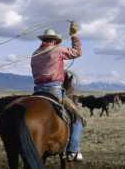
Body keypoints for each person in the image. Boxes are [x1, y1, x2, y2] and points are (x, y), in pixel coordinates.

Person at [30, 22, 84, 162]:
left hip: (37, 90)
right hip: (54, 90)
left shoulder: (35, 54)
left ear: (43, 40)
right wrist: (74, 35)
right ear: (54, 40)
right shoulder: (57, 50)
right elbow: (77, 52)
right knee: (77, 118)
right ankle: (72, 150)